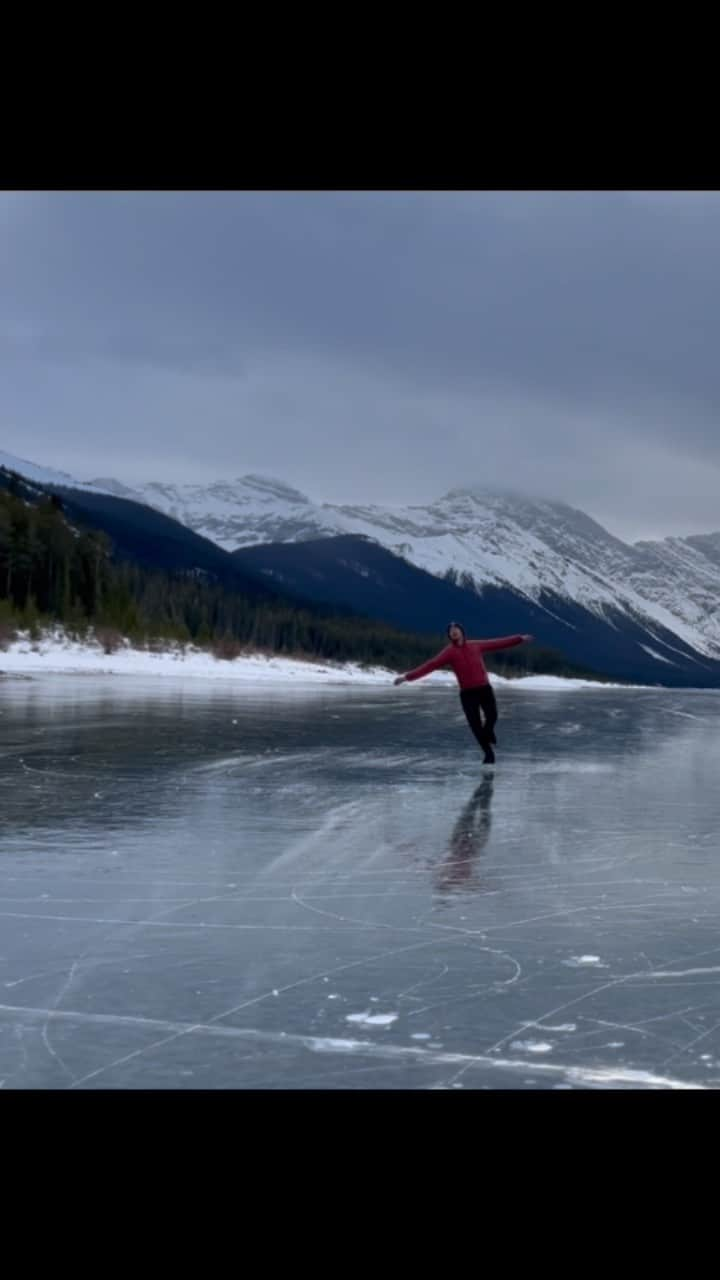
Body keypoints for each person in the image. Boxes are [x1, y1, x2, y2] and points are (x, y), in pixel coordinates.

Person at [393, 622, 534, 764]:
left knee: (492, 716)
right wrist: (406, 677)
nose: (453, 632)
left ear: (462, 631)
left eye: (456, 629)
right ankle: (488, 754)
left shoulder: (475, 645)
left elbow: (497, 643)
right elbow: (430, 665)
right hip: (467, 694)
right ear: (449, 635)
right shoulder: (448, 652)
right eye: (451, 631)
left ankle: (489, 731)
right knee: (475, 725)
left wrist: (519, 639)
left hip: (484, 689)